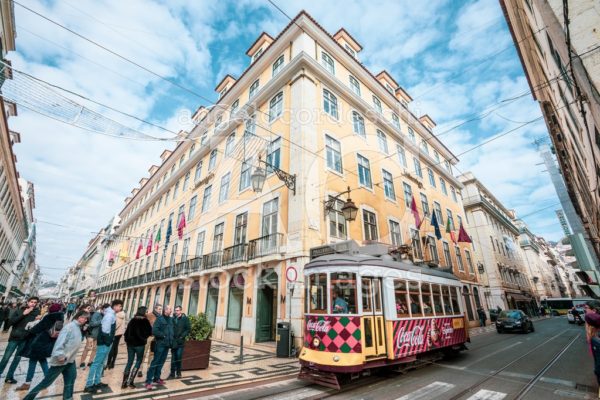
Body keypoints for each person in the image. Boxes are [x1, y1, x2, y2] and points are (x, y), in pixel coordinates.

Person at [23, 311, 89, 400]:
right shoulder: (69, 327)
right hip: (61, 360)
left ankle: (68, 398)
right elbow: (59, 343)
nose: (84, 320)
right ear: (77, 317)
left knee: (71, 379)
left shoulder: (78, 328)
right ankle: (27, 398)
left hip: (70, 360)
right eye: (82, 317)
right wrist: (60, 355)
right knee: (46, 382)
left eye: (86, 318)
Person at [15, 303, 65, 391]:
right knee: (42, 360)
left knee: (32, 361)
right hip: (49, 343)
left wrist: (28, 333)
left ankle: (27, 383)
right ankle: (47, 380)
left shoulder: (49, 317)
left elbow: (38, 327)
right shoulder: (60, 317)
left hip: (40, 342)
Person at [84, 299, 123, 393]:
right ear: (115, 306)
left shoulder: (111, 314)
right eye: (120, 306)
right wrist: (108, 342)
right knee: (97, 363)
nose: (121, 308)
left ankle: (97, 382)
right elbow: (105, 330)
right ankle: (89, 384)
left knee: (101, 363)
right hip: (104, 343)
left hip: (106, 342)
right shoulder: (109, 315)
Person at [0, 296, 40, 384]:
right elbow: (11, 322)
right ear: (28, 302)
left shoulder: (36, 313)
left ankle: (9, 377)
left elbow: (35, 327)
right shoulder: (19, 310)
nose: (33, 304)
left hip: (25, 339)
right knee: (6, 357)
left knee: (17, 359)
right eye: (31, 302)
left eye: (35, 302)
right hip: (15, 337)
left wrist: (38, 320)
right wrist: (23, 314)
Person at [122, 306, 152, 389]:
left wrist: (128, 340)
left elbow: (126, 332)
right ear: (143, 312)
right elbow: (149, 332)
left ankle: (124, 383)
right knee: (138, 361)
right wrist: (144, 337)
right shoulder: (145, 321)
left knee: (129, 362)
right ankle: (131, 381)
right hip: (140, 345)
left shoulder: (132, 320)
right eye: (146, 311)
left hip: (130, 344)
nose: (147, 313)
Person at [145, 305, 173, 390]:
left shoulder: (171, 319)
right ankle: (148, 381)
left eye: (171, 309)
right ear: (165, 310)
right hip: (160, 344)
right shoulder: (160, 319)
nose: (171, 310)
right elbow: (155, 331)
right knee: (155, 362)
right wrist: (163, 335)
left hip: (167, 345)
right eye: (169, 309)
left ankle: (157, 378)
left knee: (161, 362)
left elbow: (172, 330)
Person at [169, 305, 190, 379]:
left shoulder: (185, 319)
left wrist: (182, 336)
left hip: (180, 341)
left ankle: (178, 372)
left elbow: (188, 329)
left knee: (178, 357)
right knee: (173, 358)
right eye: (175, 310)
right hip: (173, 341)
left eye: (177, 310)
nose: (176, 312)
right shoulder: (172, 319)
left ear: (181, 311)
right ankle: (172, 373)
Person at [80, 304, 102, 369]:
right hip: (90, 333)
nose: (90, 309)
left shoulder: (97, 314)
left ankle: (90, 361)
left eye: (90, 308)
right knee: (87, 348)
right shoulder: (88, 315)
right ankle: (82, 362)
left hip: (97, 334)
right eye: (88, 308)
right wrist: (101, 321)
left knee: (95, 348)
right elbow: (91, 324)